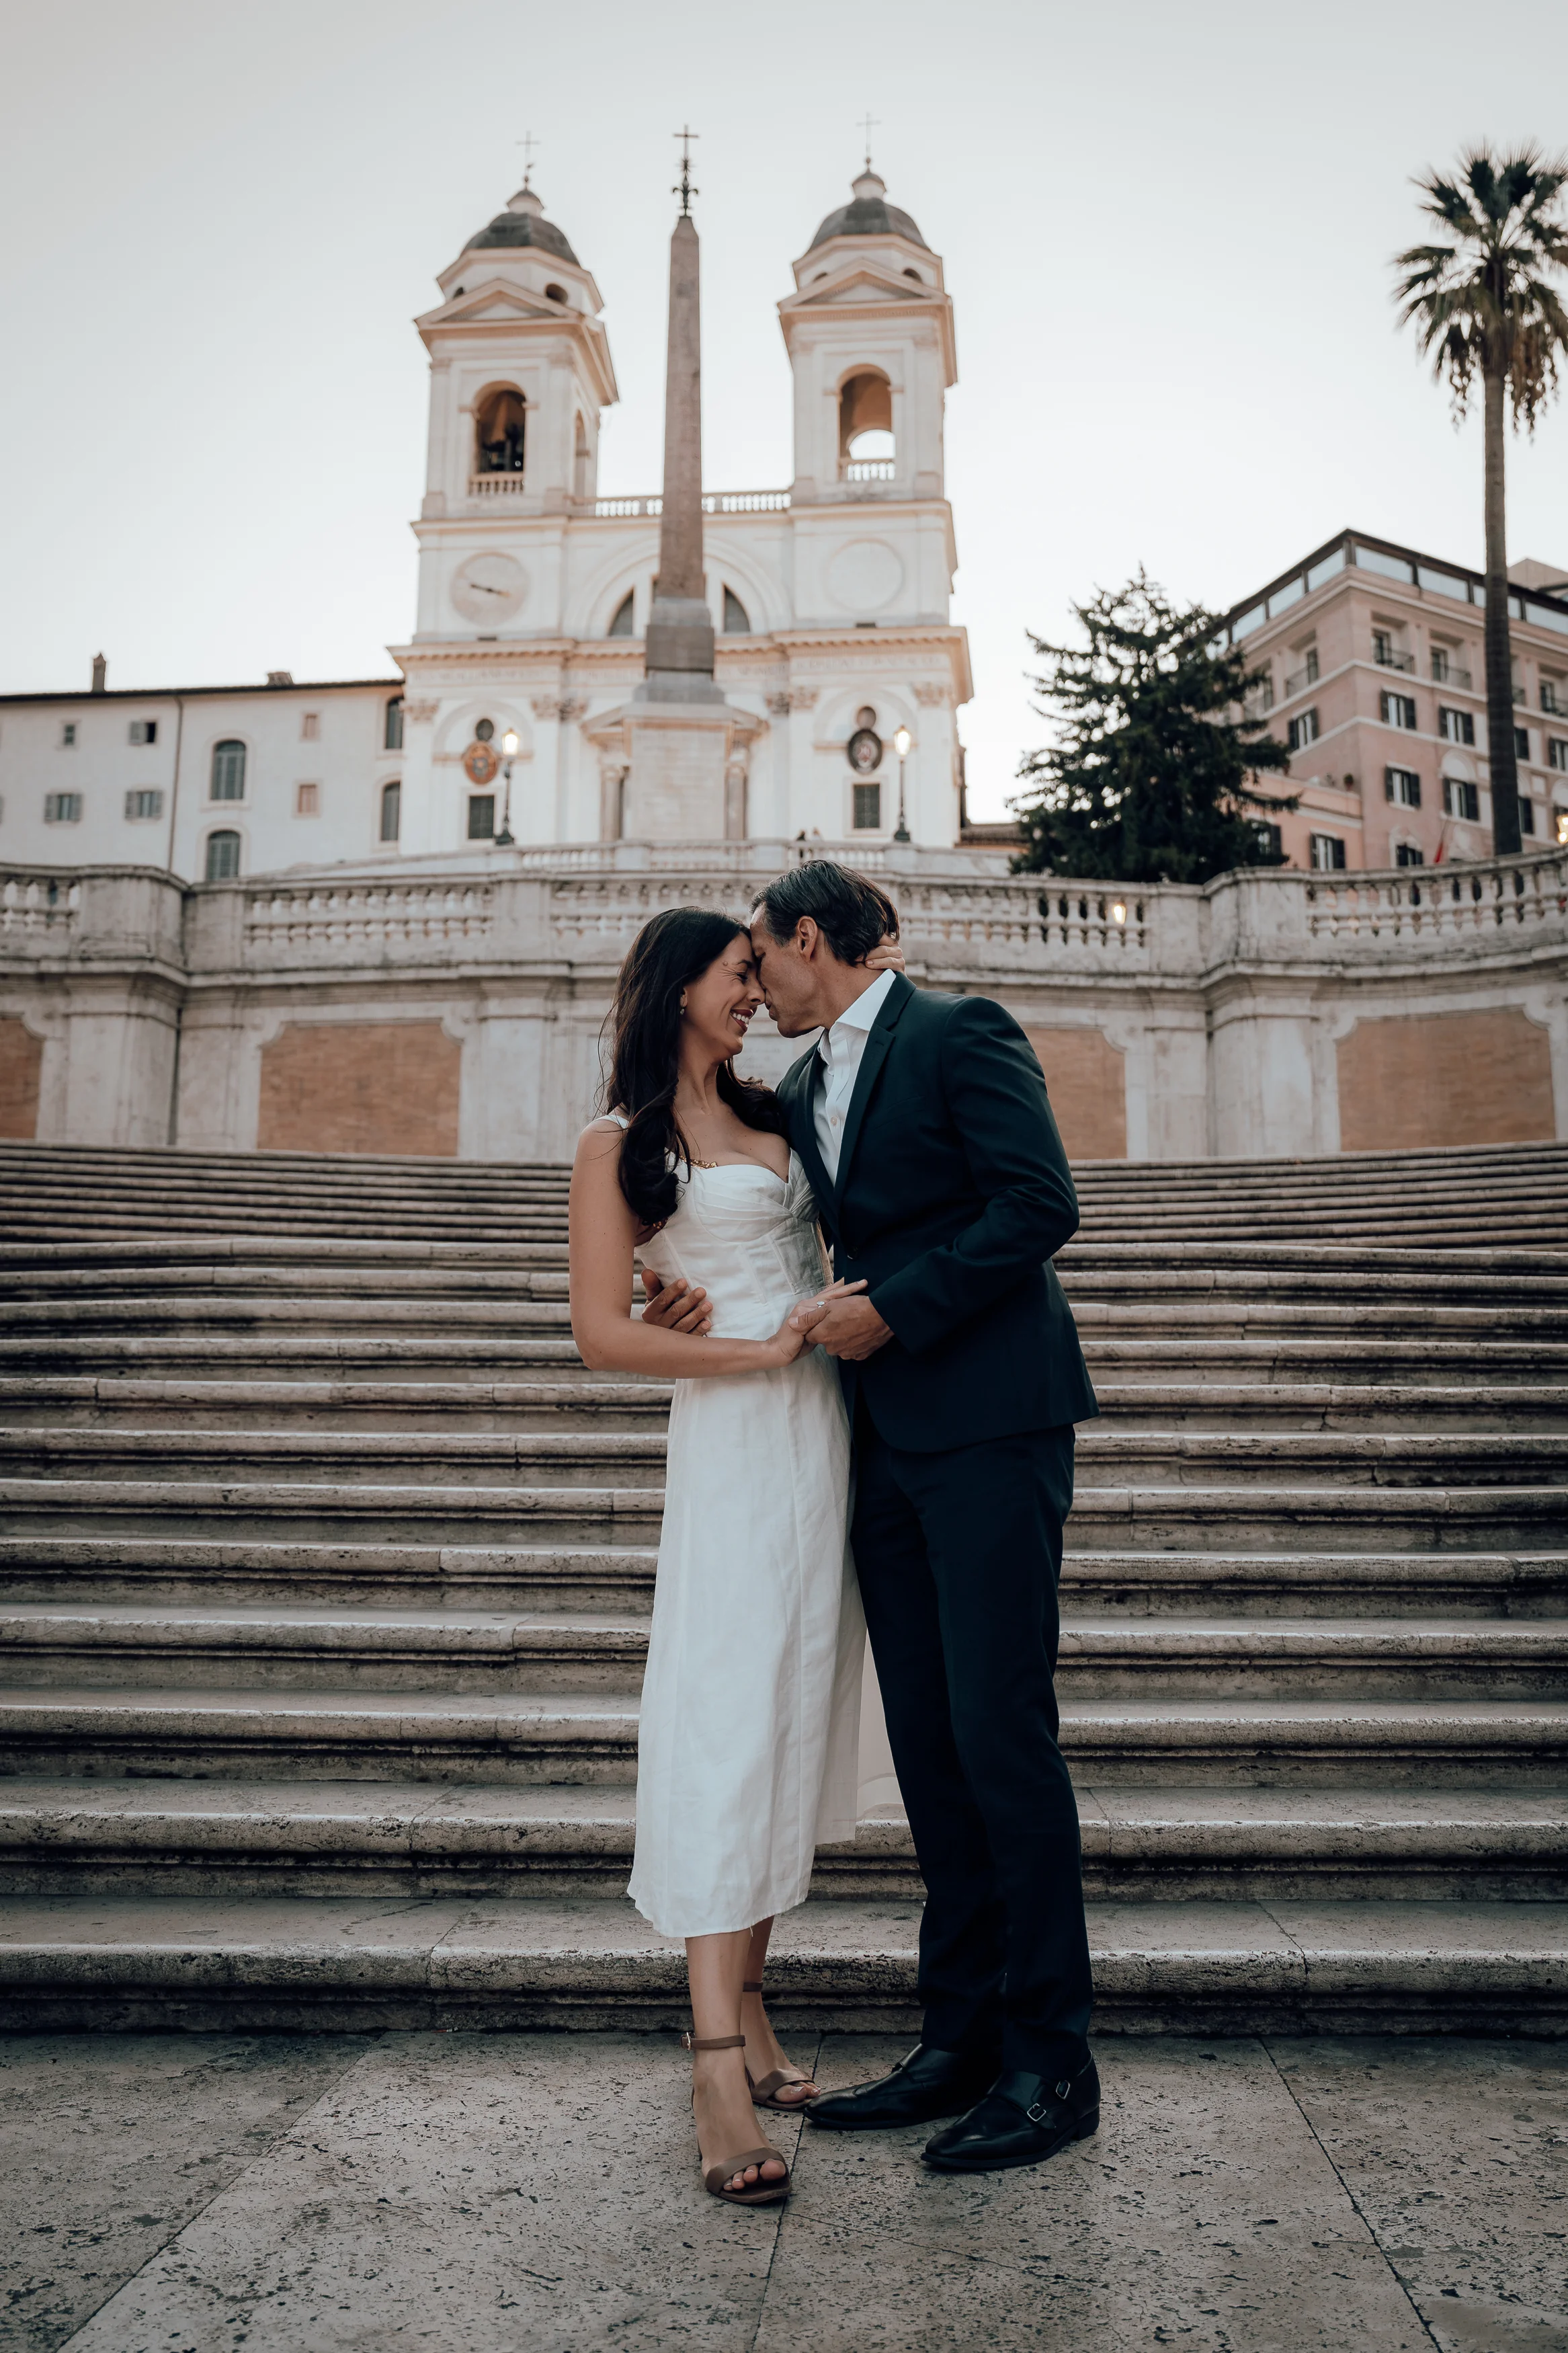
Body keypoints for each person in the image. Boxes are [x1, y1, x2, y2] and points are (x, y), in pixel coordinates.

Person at [743, 857, 1101, 2175]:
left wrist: (894, 1306)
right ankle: (956, 2039)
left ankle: (1052, 2063)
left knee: (1002, 1737)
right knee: (931, 1748)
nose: (755, 984)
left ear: (803, 936)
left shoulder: (959, 1031)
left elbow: (1037, 1205)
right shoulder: (794, 1088)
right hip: (881, 1447)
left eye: (760, 960)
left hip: (994, 1423)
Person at [568, 905, 903, 2208]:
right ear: (675, 987)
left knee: (789, 1718)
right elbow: (601, 1330)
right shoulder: (617, 1145)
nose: (753, 990)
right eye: (733, 972)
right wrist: (738, 1345)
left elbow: (827, 1247)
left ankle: (753, 2011)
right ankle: (713, 2061)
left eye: (757, 971)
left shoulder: (780, 1117)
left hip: (825, 1438)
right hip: (732, 1440)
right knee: (725, 1723)